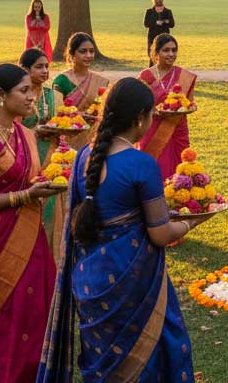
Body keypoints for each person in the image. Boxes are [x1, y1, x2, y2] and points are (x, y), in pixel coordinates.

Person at [38, 78, 208, 382]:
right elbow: (159, 233)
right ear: (139, 118)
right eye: (151, 114)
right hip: (133, 282)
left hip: (90, 279)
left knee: (102, 361)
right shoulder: (141, 164)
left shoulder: (83, 158)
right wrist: (193, 221)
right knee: (157, 350)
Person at [0, 64, 63, 383]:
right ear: (0, 95)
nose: (32, 96)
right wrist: (25, 196)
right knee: (3, 313)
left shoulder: (24, 132)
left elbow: (29, 179)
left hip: (29, 234)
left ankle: (33, 373)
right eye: (24, 90)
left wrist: (50, 183)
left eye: (30, 90)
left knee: (33, 310)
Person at [19, 48, 66, 262]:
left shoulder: (54, 96)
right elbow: (10, 128)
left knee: (52, 210)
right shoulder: (18, 95)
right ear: (25, 69)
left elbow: (65, 124)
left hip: (52, 161)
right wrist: (35, 132)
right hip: (24, 159)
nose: (45, 71)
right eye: (39, 66)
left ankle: (51, 259)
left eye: (47, 66)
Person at [138, 34, 197, 180]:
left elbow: (190, 103)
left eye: (174, 50)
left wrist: (191, 107)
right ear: (156, 53)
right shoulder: (146, 76)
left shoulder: (184, 76)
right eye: (166, 50)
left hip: (178, 130)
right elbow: (139, 105)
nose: (171, 54)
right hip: (153, 130)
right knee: (153, 171)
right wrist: (153, 111)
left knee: (180, 173)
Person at [52, 33, 110, 148]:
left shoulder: (101, 82)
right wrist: (79, 115)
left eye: (91, 51)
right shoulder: (62, 81)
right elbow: (56, 114)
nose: (88, 55)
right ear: (72, 54)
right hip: (69, 139)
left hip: (94, 138)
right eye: (83, 51)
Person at [143, 0, 175, 64]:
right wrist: (155, 23)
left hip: (165, 39)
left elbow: (172, 24)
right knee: (152, 58)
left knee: (165, 59)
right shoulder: (149, 11)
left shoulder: (168, 11)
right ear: (154, 0)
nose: (158, 0)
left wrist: (166, 22)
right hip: (152, 38)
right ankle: (151, 75)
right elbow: (146, 24)